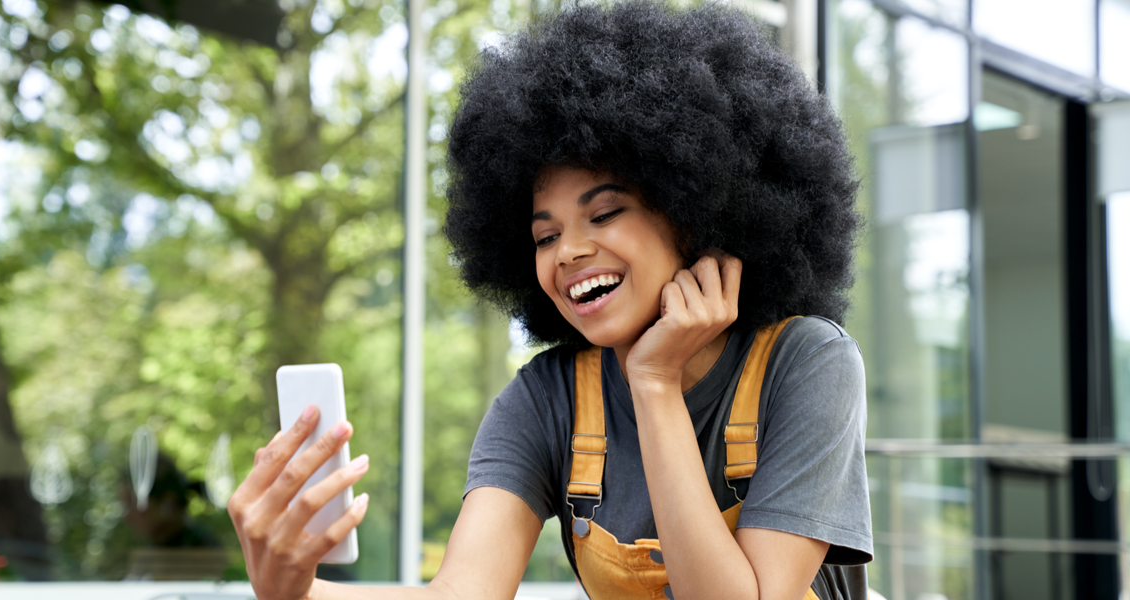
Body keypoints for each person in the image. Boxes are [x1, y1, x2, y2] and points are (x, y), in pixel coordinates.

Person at [227, 2, 872, 599]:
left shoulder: (808, 362)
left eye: (605, 213)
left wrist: (653, 382)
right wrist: (297, 592)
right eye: (545, 234)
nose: (567, 252)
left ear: (694, 213)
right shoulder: (548, 399)